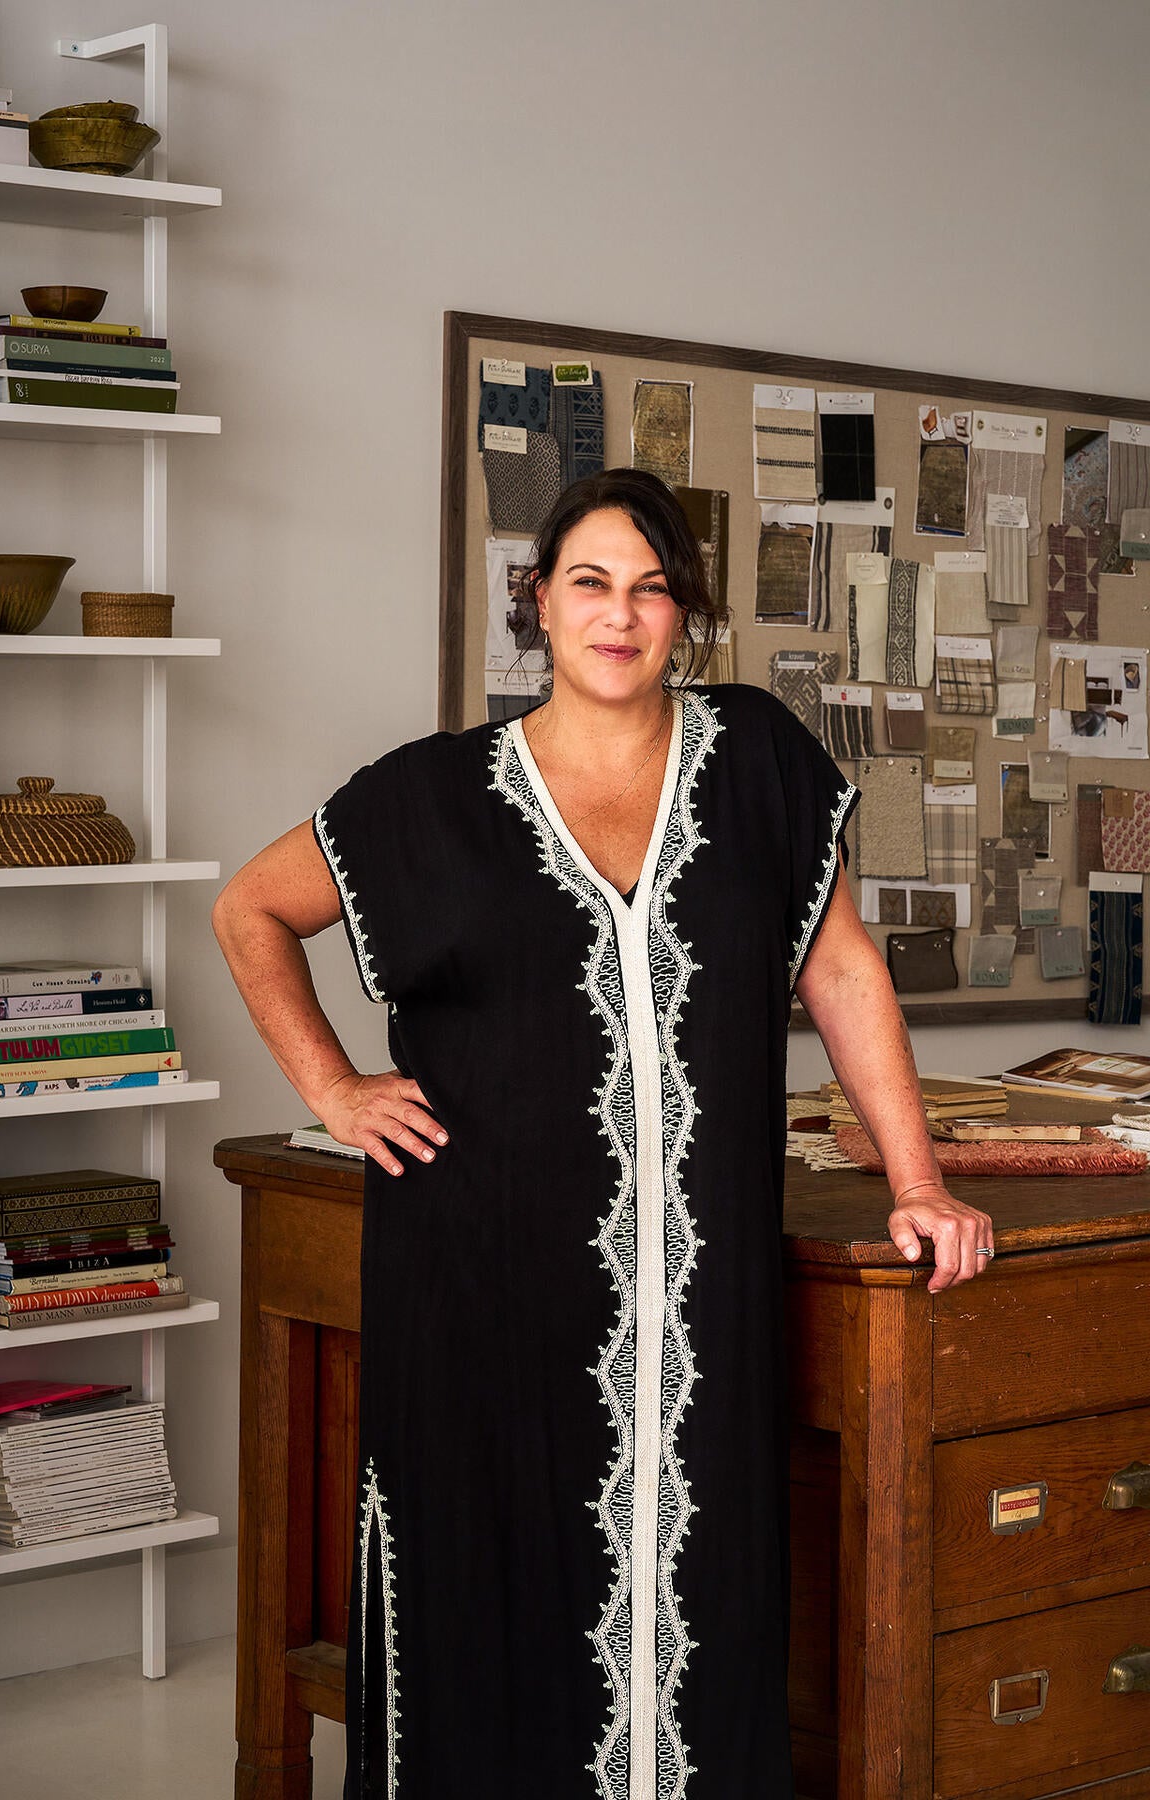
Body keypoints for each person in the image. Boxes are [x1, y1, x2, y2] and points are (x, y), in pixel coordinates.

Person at [212, 468, 993, 1800]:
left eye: (651, 588)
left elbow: (841, 966)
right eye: (590, 583)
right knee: (482, 1593)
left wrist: (916, 1179)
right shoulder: (435, 796)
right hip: (475, 1282)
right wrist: (335, 1088)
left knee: (701, 1594)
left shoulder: (757, 761)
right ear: (538, 600)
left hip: (695, 1295)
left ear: (684, 612)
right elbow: (250, 910)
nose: (619, 615)